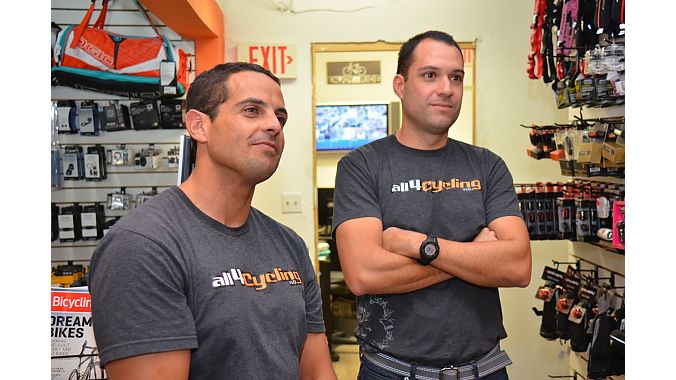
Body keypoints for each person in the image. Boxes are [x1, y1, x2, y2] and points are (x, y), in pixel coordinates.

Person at [89, 62, 337, 380]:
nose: (274, 125)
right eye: (251, 110)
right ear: (199, 126)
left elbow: (317, 371)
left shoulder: (289, 244)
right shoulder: (142, 244)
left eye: (280, 116)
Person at [332, 30, 532, 380]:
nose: (446, 88)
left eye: (456, 77)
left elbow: (517, 267)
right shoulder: (362, 166)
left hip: (483, 370)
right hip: (392, 372)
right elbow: (364, 275)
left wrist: (417, 246)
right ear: (399, 85)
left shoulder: (487, 166)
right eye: (430, 75)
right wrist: (473, 255)